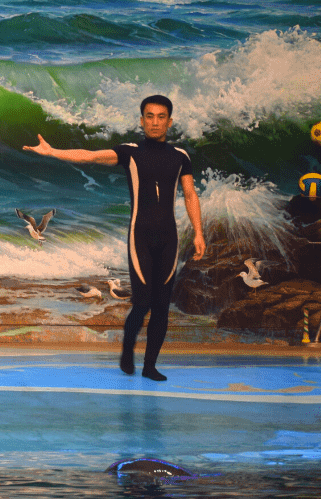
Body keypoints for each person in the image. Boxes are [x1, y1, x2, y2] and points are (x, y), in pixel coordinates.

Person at [24, 94, 205, 381]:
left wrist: (198, 232)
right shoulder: (131, 151)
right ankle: (127, 350)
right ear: (142, 120)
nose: (155, 122)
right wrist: (53, 152)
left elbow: (191, 195)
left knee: (161, 305)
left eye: (161, 117)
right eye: (149, 116)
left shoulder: (181, 156)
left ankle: (150, 366)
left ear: (169, 121)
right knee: (143, 301)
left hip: (169, 238)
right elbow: (91, 155)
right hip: (140, 236)